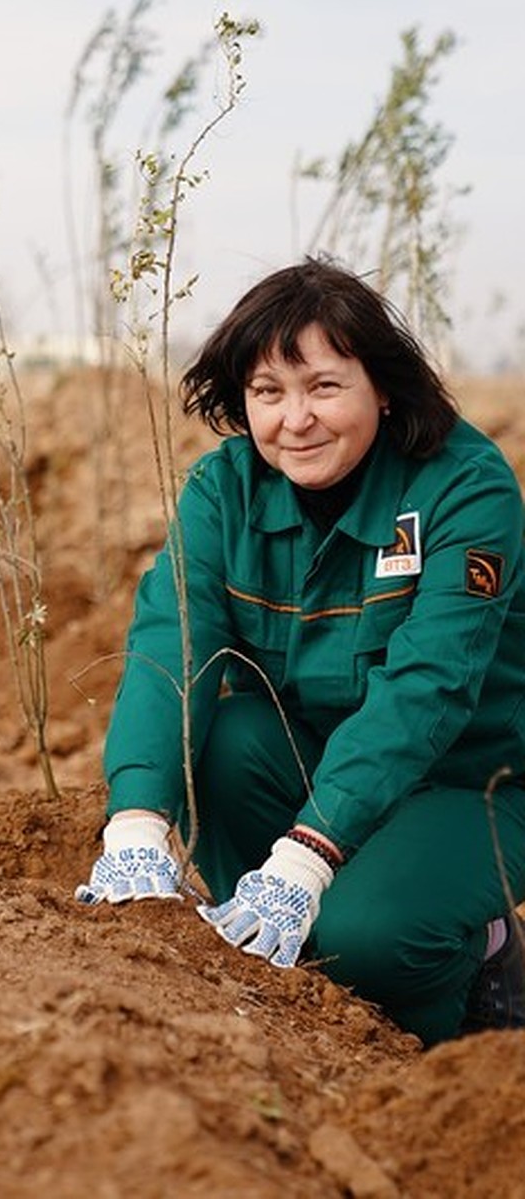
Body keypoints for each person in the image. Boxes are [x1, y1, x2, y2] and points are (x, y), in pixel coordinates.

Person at [76, 258, 525, 1046]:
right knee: (231, 741)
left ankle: (457, 1007)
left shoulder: (465, 488)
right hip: (320, 757)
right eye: (268, 393)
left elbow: (428, 688)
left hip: (475, 779)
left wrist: (309, 855)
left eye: (323, 386)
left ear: (382, 388)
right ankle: (302, 996)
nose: (296, 419)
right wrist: (137, 822)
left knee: (373, 937)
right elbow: (170, 644)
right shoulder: (226, 491)